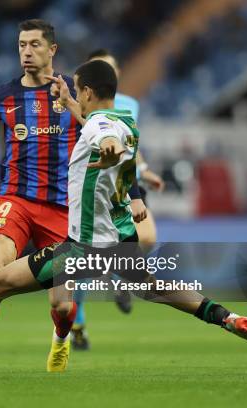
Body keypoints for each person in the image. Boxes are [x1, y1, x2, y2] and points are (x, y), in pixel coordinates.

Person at [0, 60, 247, 364]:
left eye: (77, 90)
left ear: (89, 91)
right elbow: (97, 123)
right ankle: (226, 317)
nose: (73, 95)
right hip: (121, 240)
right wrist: (74, 106)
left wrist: (107, 147)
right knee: (159, 289)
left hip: (83, 249)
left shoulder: (102, 129)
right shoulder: (124, 121)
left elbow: (102, 136)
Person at [0, 18, 85, 376]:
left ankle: (60, 338)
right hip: (17, 200)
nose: (27, 51)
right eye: (22, 45)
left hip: (61, 207)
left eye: (35, 45)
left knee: (64, 307)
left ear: (52, 50)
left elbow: (101, 129)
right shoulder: (3, 95)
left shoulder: (72, 89)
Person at [52, 49, 165, 349]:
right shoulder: (89, 104)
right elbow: (94, 127)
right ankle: (78, 321)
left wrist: (141, 169)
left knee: (147, 238)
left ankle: (123, 279)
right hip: (97, 184)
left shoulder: (127, 105)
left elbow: (119, 141)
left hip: (123, 181)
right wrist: (69, 102)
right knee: (84, 261)